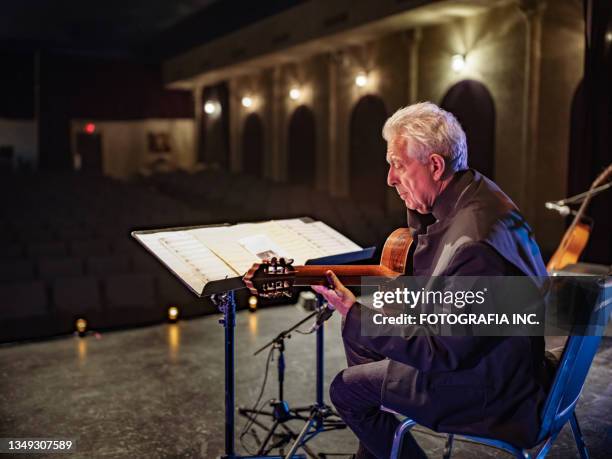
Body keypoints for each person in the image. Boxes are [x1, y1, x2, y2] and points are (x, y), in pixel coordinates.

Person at [313, 102, 549, 459]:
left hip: (491, 391)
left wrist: (357, 312)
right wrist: (364, 314)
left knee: (346, 389)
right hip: (495, 358)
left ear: (436, 166)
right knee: (359, 335)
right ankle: (381, 452)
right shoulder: (477, 192)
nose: (390, 179)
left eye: (398, 165)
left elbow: (442, 349)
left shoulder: (476, 244)